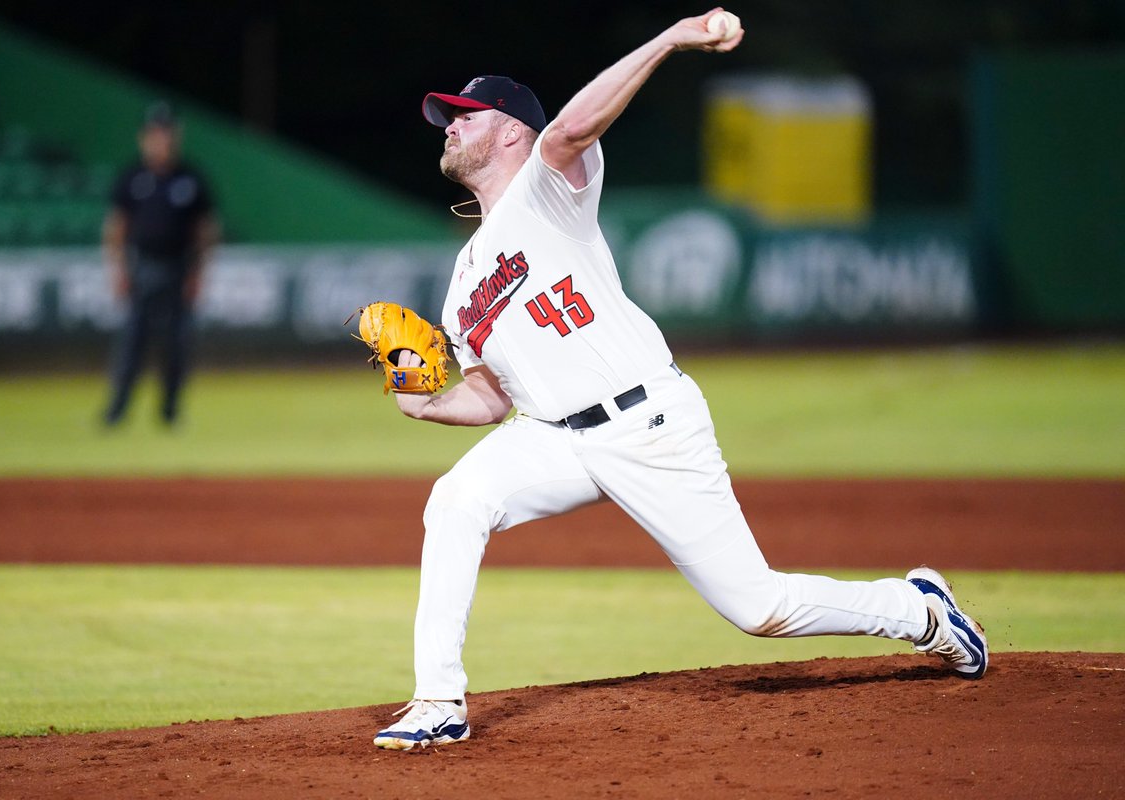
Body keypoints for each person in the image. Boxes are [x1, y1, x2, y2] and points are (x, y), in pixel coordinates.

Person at [372, 9, 988, 751]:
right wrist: (425, 404)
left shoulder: (550, 189)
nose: (450, 126)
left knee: (758, 607)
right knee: (456, 500)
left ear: (511, 131)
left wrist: (669, 40)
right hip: (552, 436)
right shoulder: (463, 281)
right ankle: (438, 700)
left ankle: (919, 611)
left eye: (465, 116)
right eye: (448, 118)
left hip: (648, 421)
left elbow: (569, 130)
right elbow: (492, 397)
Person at [101, 101, 219, 428]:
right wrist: (119, 272)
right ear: (144, 138)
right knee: (131, 343)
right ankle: (117, 411)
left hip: (179, 270)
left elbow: (206, 230)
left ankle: (169, 411)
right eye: (156, 133)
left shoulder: (191, 178)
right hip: (142, 269)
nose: (162, 140)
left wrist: (198, 273)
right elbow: (116, 228)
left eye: (167, 133)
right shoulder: (132, 176)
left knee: (176, 346)